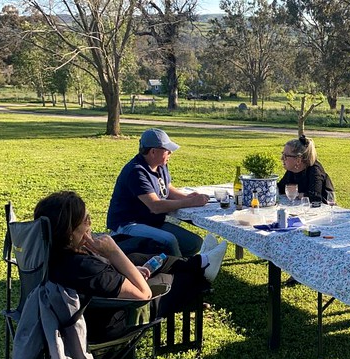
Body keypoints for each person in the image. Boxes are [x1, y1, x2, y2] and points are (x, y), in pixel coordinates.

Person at [35, 191, 227, 342]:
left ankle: (200, 261)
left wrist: (115, 261)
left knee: (138, 258)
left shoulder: (48, 254)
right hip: (114, 322)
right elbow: (144, 295)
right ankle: (203, 271)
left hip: (94, 309)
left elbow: (102, 275)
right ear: (69, 233)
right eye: (86, 220)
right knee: (176, 280)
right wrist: (114, 252)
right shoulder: (85, 269)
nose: (90, 224)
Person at [107, 128, 211, 257]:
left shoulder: (160, 165)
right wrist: (189, 202)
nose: (170, 153)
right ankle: (182, 270)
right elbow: (155, 206)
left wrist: (187, 197)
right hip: (127, 225)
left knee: (194, 243)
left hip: (151, 222)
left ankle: (167, 261)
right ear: (153, 151)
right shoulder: (136, 172)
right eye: (167, 150)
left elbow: (167, 188)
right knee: (169, 240)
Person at [277, 135, 335, 204]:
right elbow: (280, 188)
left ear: (298, 160)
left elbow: (315, 197)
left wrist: (297, 194)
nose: (282, 158)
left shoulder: (314, 170)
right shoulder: (292, 170)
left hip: (323, 211)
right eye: (282, 154)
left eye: (285, 156)